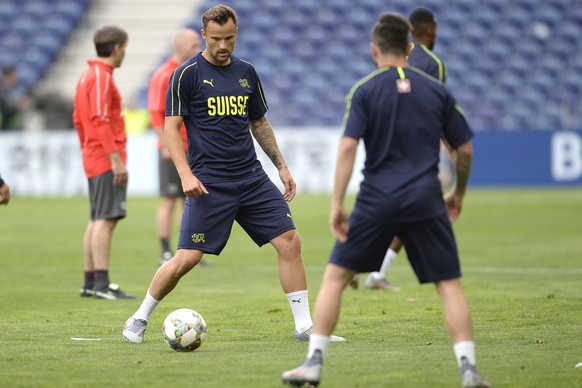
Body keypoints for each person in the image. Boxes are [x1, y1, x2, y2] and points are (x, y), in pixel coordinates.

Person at [282, 12, 489, 388]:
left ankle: (313, 362)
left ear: (374, 50)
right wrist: (457, 192)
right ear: (410, 49)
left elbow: (347, 147)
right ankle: (469, 369)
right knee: (449, 285)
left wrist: (336, 203)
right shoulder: (436, 90)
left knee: (336, 277)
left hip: (377, 199)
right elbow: (465, 149)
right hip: (426, 198)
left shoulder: (364, 90)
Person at [122, 4, 344, 344]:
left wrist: (281, 166)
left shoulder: (247, 73)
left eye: (228, 38)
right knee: (187, 258)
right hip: (210, 183)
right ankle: (139, 317)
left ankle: (305, 328)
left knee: (290, 241)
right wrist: (185, 174)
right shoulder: (186, 74)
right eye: (215, 39)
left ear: (236, 33)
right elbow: (171, 129)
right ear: (203, 35)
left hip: (252, 178)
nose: (222, 46)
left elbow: (259, 122)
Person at [354, 7, 451, 291]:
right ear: (430, 30)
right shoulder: (434, 63)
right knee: (413, 215)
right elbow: (438, 111)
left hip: (385, 152)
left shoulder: (389, 66)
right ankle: (365, 268)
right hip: (418, 155)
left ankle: (363, 268)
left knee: (384, 213)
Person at [73, 26, 135, 300]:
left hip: (94, 153)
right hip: (104, 156)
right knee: (106, 219)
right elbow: (100, 118)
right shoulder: (100, 76)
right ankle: (101, 284)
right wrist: (113, 157)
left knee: (97, 217)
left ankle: (91, 282)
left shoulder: (88, 75)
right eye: (125, 48)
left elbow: (78, 118)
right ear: (118, 48)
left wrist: (89, 147)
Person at [147, 28, 210, 267]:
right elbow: (155, 114)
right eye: (194, 45)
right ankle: (165, 250)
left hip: (193, 147)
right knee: (169, 199)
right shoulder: (164, 74)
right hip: (174, 148)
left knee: (190, 199)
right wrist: (165, 146)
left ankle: (188, 249)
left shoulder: (192, 72)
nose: (198, 49)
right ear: (180, 46)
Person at [0, 66, 29, 130]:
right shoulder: (2, 93)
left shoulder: (13, 92)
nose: (16, 78)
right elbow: (5, 111)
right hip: (5, 129)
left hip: (14, 129)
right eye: (14, 76)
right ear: (7, 76)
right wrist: (17, 107)